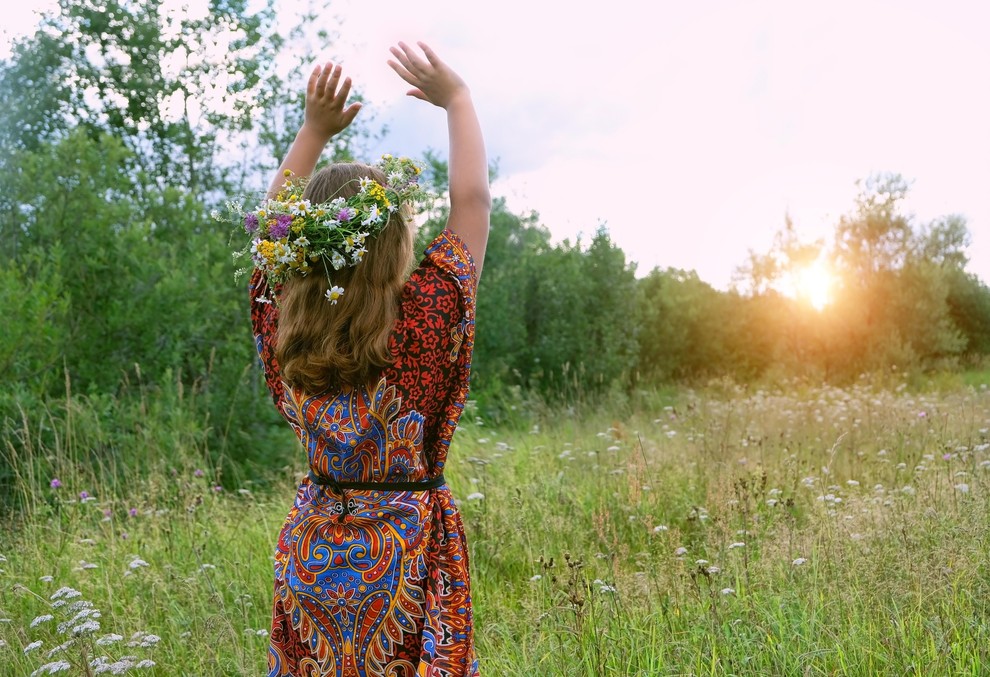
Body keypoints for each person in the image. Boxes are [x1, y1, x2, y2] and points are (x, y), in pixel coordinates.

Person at [250, 42, 490, 676]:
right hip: (407, 561)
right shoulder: (425, 318)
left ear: (297, 249)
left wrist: (313, 130)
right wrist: (458, 101)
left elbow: (267, 229)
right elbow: (472, 205)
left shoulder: (285, 327)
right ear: (394, 242)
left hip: (313, 563)